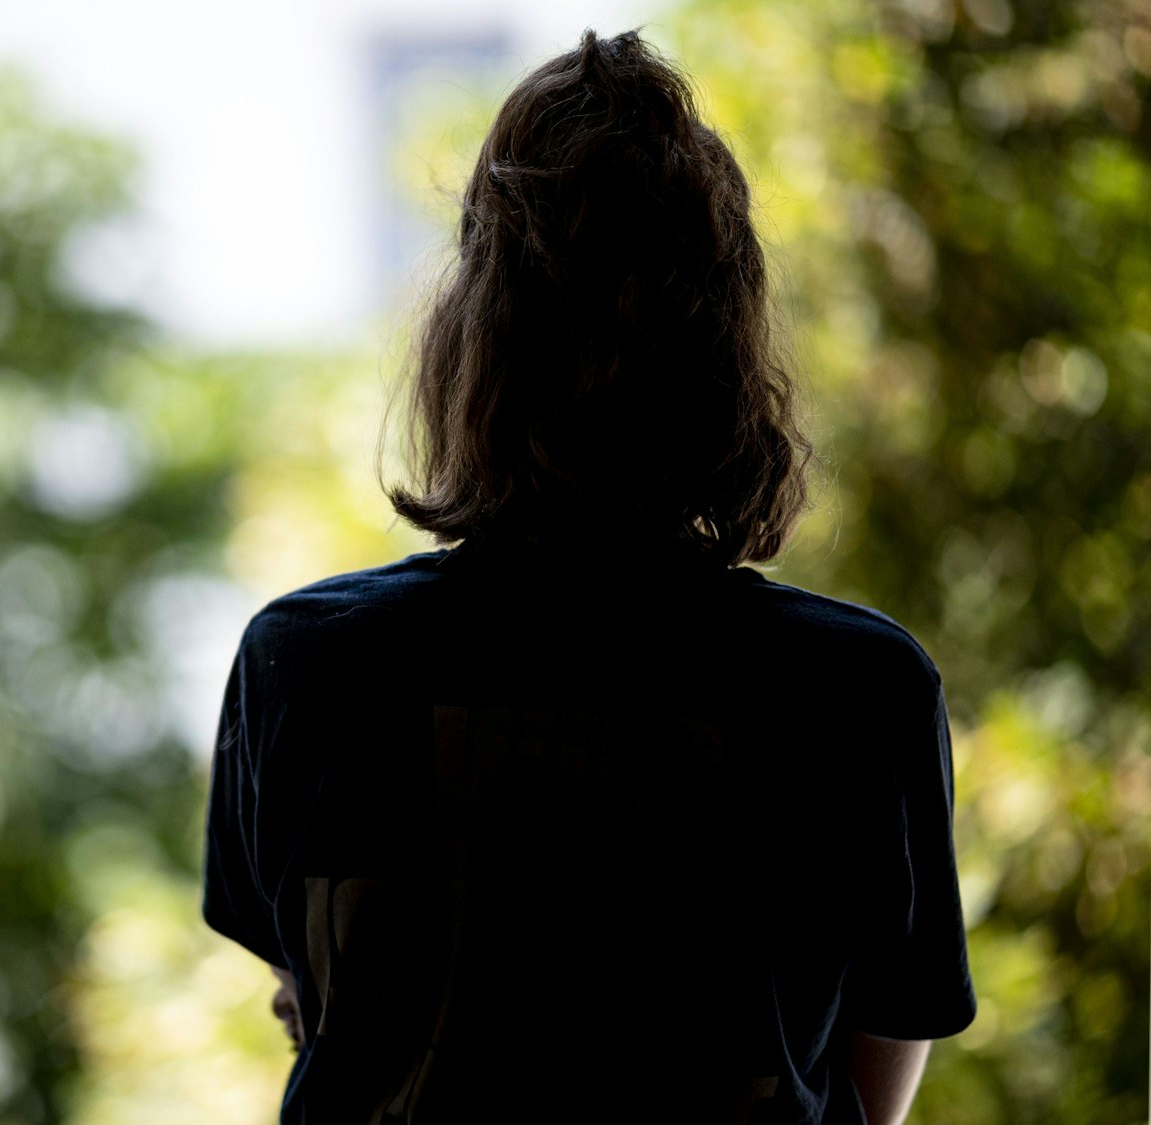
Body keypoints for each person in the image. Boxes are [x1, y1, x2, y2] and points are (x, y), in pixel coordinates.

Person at [201, 29, 977, 1125]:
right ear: (729, 348)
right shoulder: (859, 691)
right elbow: (861, 1079)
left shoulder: (308, 663)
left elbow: (322, 1003)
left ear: (467, 345)